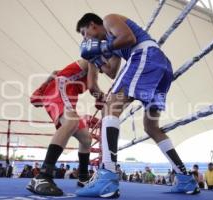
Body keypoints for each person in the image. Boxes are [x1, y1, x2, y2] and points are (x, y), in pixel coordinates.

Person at [75, 13, 199, 197]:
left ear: (93, 25)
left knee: (111, 106)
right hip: (160, 66)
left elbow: (129, 38)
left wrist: (101, 47)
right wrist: (97, 59)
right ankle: (185, 178)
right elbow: (111, 71)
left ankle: (107, 176)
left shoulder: (109, 19)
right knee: (151, 127)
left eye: (84, 33)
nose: (85, 39)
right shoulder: (112, 43)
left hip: (145, 55)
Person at [27, 59, 104, 196]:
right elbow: (93, 88)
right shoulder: (95, 57)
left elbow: (55, 74)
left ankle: (83, 177)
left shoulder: (94, 63)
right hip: (61, 89)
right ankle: (43, 176)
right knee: (71, 122)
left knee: (86, 139)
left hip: (65, 93)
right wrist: (102, 97)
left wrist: (44, 87)